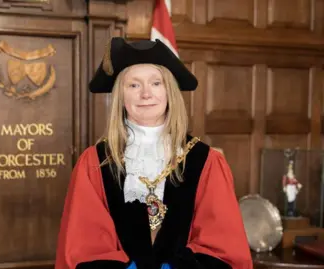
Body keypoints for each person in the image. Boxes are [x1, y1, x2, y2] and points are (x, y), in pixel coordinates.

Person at [54, 37, 253, 269]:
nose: (146, 94)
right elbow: (83, 247)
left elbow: (223, 247)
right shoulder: (94, 163)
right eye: (134, 85)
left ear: (169, 91)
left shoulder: (206, 161)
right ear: (121, 95)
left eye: (156, 83)